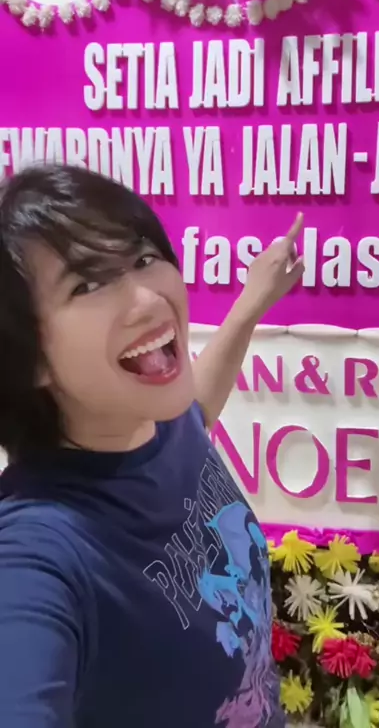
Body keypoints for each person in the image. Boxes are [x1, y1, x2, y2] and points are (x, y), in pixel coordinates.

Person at [0, 164, 304, 728]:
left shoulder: (151, 425)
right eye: (87, 285)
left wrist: (253, 300)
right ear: (26, 355)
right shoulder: (36, 553)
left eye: (143, 258)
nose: (147, 299)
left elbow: (197, 408)